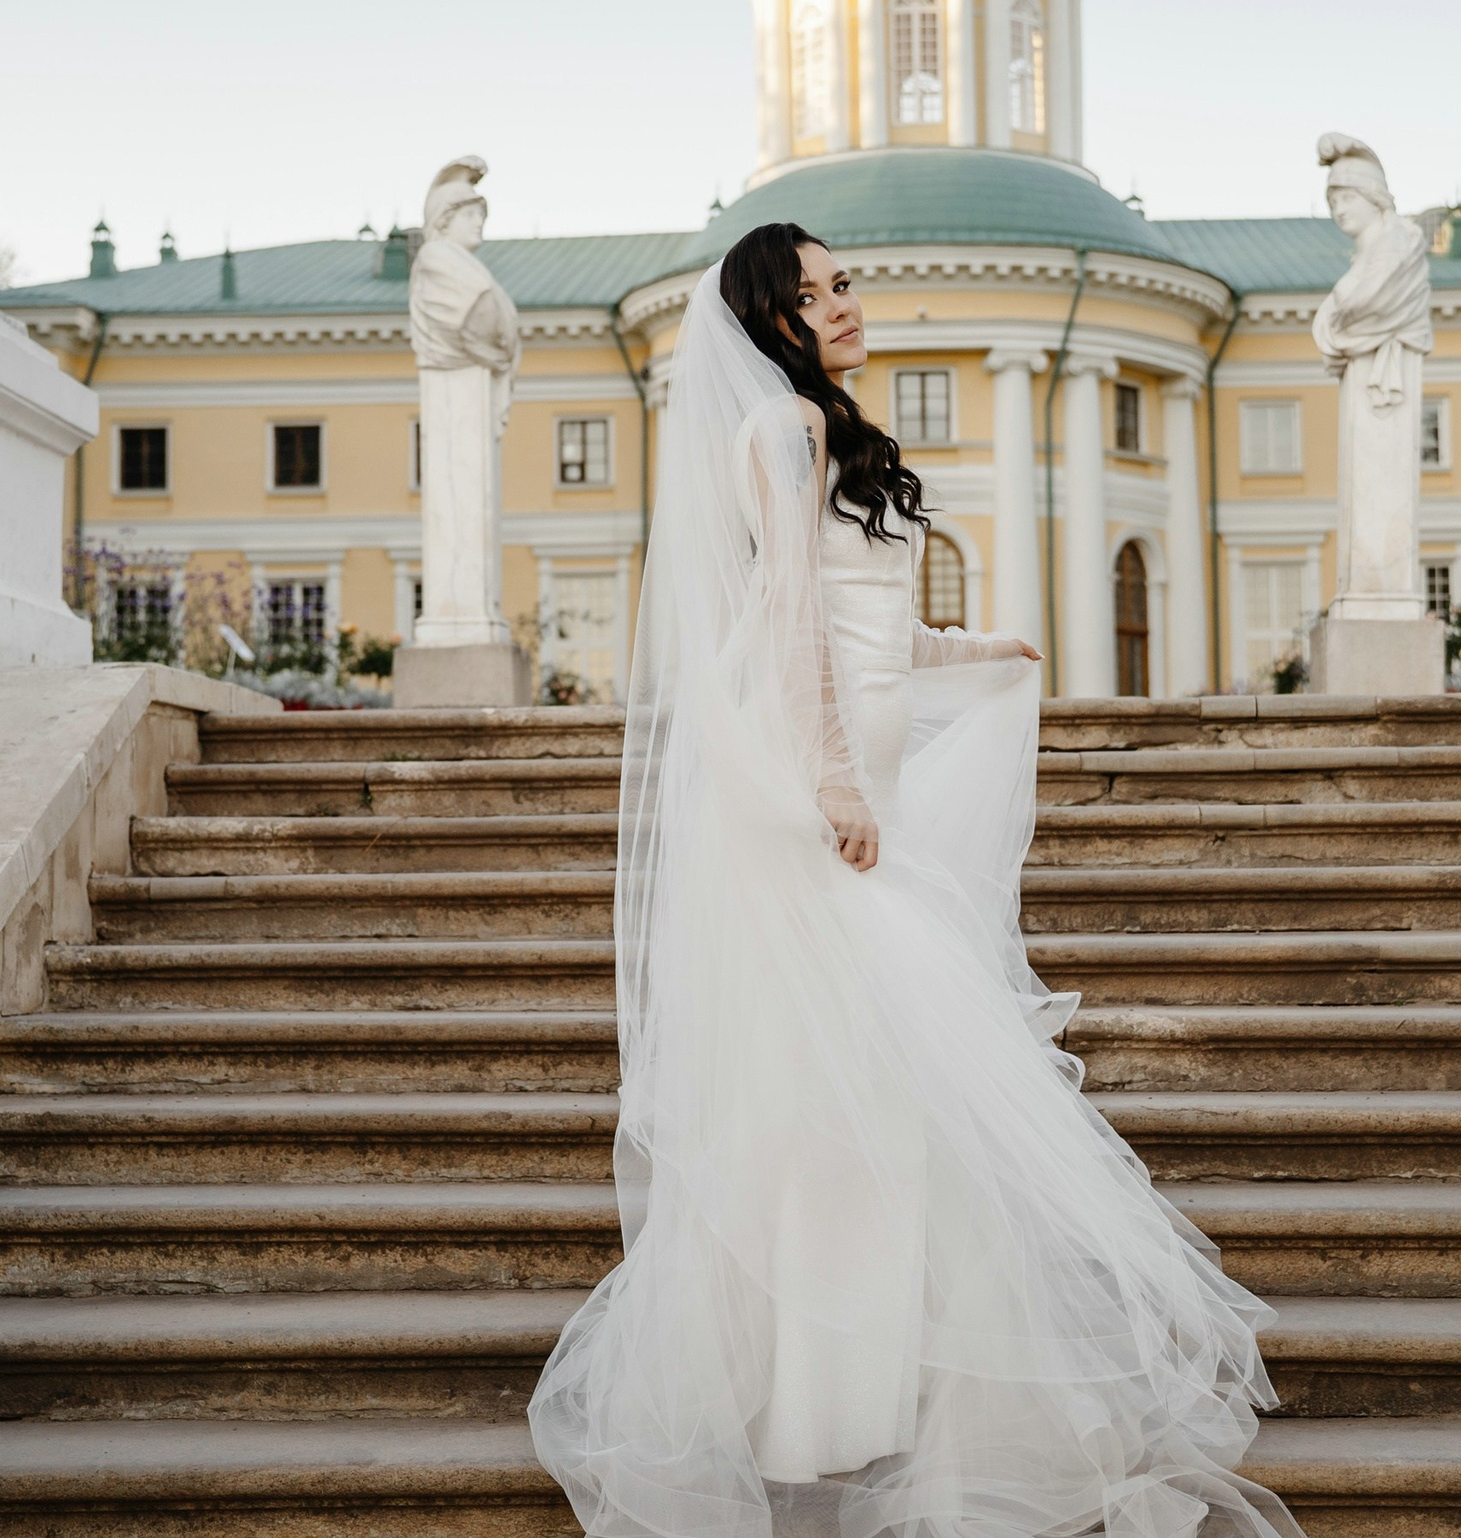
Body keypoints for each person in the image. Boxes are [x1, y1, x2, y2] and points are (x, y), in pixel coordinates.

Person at [528, 222, 1304, 1538]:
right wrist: (831, 780)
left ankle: (855, 1395)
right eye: (812, 293)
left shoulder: (827, 430)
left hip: (854, 780)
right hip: (810, 798)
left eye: (845, 283)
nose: (841, 304)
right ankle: (819, 1405)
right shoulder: (779, 430)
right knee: (847, 1101)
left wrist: (970, 646)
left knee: (870, 1103)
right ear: (768, 321)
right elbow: (786, 625)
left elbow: (865, 624)